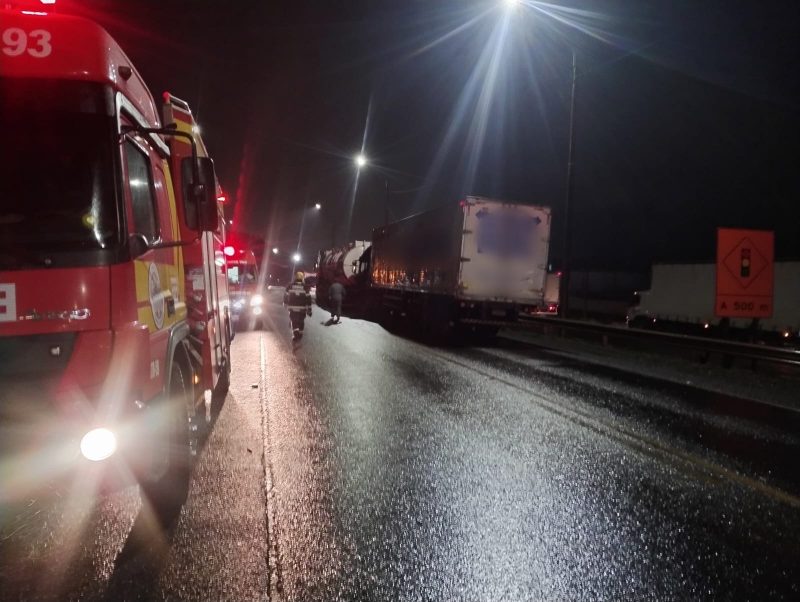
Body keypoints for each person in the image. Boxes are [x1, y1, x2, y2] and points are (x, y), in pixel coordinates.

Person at [284, 271, 312, 340]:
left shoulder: (290, 285)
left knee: (294, 320)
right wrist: (309, 309)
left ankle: (296, 332)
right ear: (302, 278)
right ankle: (300, 333)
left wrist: (285, 303)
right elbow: (308, 298)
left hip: (292, 307)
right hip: (302, 308)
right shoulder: (305, 287)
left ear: (295, 277)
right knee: (301, 320)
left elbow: (286, 296)